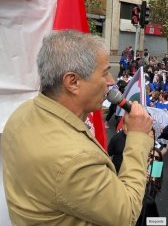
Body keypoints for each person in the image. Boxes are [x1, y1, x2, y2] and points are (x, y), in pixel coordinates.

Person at [1, 31, 154, 225]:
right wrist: (138, 138)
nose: (111, 82)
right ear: (72, 82)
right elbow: (127, 213)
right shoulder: (74, 159)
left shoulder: (23, 113)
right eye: (104, 72)